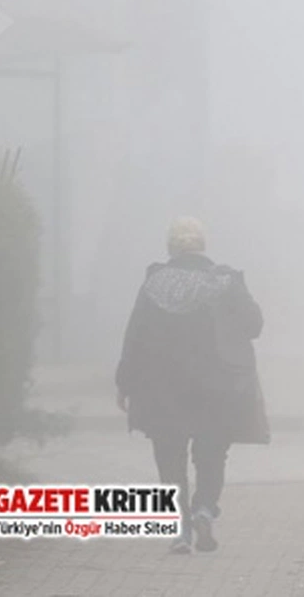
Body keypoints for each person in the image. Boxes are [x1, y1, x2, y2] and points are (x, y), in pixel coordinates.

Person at [115, 216, 269, 554]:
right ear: (203, 245)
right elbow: (254, 325)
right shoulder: (225, 282)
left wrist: (123, 382)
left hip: (162, 388)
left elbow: (135, 336)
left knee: (169, 457)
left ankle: (180, 528)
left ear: (170, 247)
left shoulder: (154, 285)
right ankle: (204, 509)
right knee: (212, 453)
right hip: (216, 387)